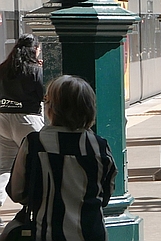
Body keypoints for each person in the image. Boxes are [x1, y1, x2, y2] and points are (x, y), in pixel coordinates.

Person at [3, 75, 115, 241]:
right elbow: (105, 195)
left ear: (52, 108)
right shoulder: (100, 146)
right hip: (92, 233)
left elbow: (17, 192)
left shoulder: (34, 143)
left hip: (46, 234)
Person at [0, 35, 43, 192]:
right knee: (38, 161)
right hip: (28, 119)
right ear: (35, 49)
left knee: (4, 166)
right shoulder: (35, 70)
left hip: (3, 118)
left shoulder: (3, 69)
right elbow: (42, 95)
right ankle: (33, 202)